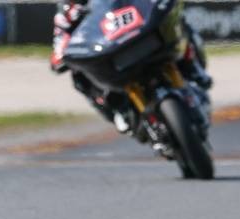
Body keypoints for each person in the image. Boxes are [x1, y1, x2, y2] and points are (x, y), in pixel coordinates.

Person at [50, 0, 212, 133]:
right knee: (77, 73)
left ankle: (194, 70)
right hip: (111, 54)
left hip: (142, 33)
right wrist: (59, 57)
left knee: (179, 22)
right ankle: (117, 111)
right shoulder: (68, 11)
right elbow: (60, 42)